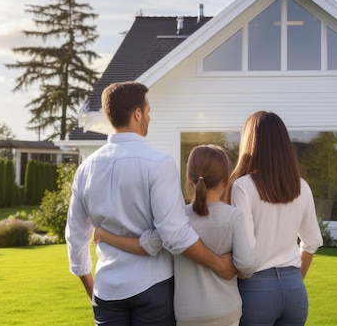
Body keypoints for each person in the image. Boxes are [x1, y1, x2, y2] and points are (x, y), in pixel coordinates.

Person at [65, 81, 236, 326]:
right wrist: (219, 264)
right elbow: (174, 234)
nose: (149, 116)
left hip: (107, 291)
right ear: (137, 114)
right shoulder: (159, 163)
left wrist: (92, 290)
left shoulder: (85, 169)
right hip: (152, 288)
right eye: (148, 111)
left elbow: (75, 237)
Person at [94, 144, 258, 326]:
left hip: (187, 315)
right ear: (226, 180)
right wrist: (234, 266)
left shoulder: (177, 219)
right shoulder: (234, 217)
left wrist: (104, 234)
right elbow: (248, 265)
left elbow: (146, 246)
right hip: (226, 312)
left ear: (189, 178)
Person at [222, 111, 323, 326]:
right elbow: (312, 242)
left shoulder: (242, 186)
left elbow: (245, 250)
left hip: (256, 289)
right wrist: (292, 281)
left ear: (250, 142)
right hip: (295, 288)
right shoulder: (301, 186)